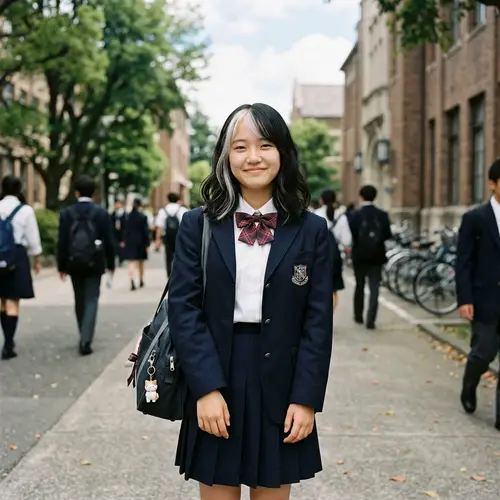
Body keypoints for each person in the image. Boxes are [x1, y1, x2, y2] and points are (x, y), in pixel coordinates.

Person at [168, 103, 333, 500]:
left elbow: (318, 321)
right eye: (240, 147)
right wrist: (205, 389)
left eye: (265, 145)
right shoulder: (198, 224)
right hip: (217, 371)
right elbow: (184, 309)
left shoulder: (313, 230)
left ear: (283, 152)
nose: (253, 157)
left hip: (282, 381)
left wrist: (306, 399)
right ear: (226, 156)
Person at [456, 159, 500, 431]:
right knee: (482, 354)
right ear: (492, 184)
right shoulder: (475, 218)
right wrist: (465, 299)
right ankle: (470, 384)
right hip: (485, 299)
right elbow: (464, 261)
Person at [56, 175, 115, 356]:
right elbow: (109, 241)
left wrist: (61, 266)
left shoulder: (67, 214)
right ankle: (86, 340)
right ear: (94, 192)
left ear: (76, 192)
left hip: (73, 262)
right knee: (91, 299)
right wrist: (111, 263)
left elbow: (62, 242)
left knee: (79, 299)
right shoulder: (101, 213)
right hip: (95, 262)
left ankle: (83, 332)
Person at [0, 175, 42, 360]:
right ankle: (9, 343)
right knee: (13, 301)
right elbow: (33, 239)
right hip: (16, 256)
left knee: (2, 300)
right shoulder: (25, 210)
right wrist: (36, 259)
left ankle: (7, 339)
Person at [349, 185, 392, 329]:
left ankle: (358, 315)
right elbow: (387, 234)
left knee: (359, 285)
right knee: (375, 286)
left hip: (359, 255)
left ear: (361, 196)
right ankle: (371, 318)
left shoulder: (355, 214)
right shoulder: (382, 214)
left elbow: (352, 234)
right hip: (377, 255)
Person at [315, 188, 348, 309]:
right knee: (333, 289)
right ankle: (330, 317)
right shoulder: (341, 216)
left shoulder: (315, 215)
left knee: (318, 287)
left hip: (318, 255)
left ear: (321, 200)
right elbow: (347, 240)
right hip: (334, 257)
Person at [155, 192, 187, 276]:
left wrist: (157, 241)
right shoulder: (182, 210)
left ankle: (169, 276)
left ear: (168, 199)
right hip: (179, 237)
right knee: (180, 256)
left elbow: (159, 227)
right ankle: (178, 275)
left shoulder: (163, 211)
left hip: (167, 237)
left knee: (168, 258)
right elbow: (186, 226)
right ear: (177, 199)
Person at [122, 198, 150, 291]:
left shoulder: (128, 216)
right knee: (141, 262)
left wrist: (124, 240)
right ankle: (141, 279)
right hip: (141, 241)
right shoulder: (143, 216)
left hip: (130, 241)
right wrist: (147, 244)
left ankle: (132, 280)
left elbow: (125, 230)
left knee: (131, 263)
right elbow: (146, 231)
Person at [110, 199, 126, 267]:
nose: (117, 205)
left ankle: (121, 260)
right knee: (115, 247)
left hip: (122, 233)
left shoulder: (124, 214)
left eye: (119, 204)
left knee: (121, 246)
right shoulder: (113, 213)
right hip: (115, 233)